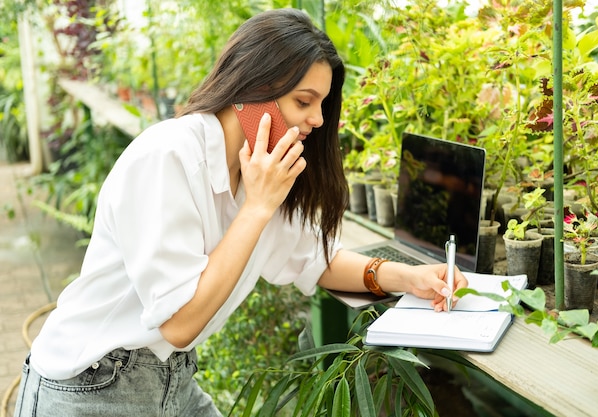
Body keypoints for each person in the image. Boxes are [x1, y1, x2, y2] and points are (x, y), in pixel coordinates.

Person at [13, 8, 467, 417]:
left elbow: (316, 259)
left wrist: (408, 278)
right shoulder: (167, 158)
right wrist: (257, 207)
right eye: (303, 102)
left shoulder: (261, 165)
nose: (318, 120)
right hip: (89, 387)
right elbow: (179, 323)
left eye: (322, 105)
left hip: (172, 380)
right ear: (251, 93)